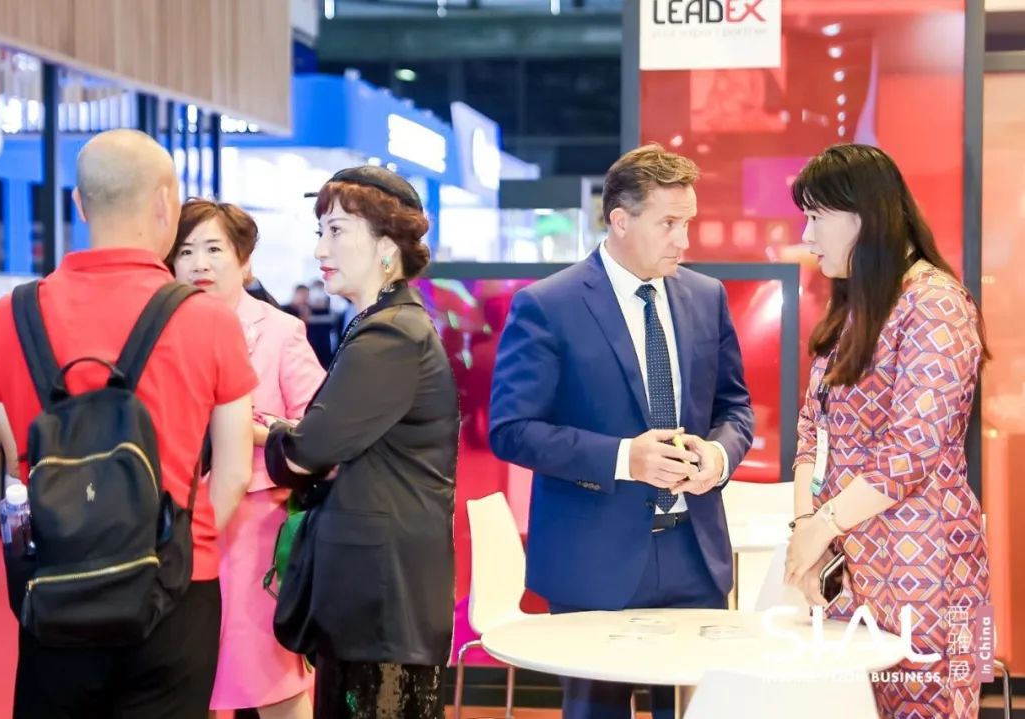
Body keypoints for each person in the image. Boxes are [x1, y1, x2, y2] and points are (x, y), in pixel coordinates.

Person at [0, 129, 256, 718]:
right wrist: (186, 546)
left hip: (57, 581)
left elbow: (19, 460)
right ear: (165, 204)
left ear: (79, 204)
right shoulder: (207, 319)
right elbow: (231, 474)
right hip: (175, 587)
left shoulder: (12, 314)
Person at [489, 143, 754, 719]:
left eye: (688, 223)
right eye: (669, 223)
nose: (684, 240)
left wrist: (717, 456)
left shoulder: (705, 297)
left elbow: (735, 407)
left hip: (694, 554)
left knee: (697, 711)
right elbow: (511, 430)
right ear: (620, 220)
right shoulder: (548, 305)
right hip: (594, 561)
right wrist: (622, 458)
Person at [784, 144, 990, 719]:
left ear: (863, 215)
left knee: (932, 705)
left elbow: (912, 451)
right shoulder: (854, 306)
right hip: (853, 569)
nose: (807, 236)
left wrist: (821, 526)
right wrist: (807, 529)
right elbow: (811, 433)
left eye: (816, 217)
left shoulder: (937, 304)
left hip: (930, 571)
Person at [264, 166, 458, 719]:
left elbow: (308, 449)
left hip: (383, 597)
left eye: (337, 230)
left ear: (387, 246)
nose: (320, 248)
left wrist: (270, 433)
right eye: (320, 231)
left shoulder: (390, 333)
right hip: (380, 589)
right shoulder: (387, 323)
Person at [168, 199, 325, 719]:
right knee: (191, 680)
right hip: (178, 521)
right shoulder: (163, 331)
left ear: (244, 261)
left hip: (256, 529)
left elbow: (318, 431)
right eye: (185, 251)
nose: (200, 264)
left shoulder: (280, 331)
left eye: (214, 249)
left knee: (269, 681)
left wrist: (249, 428)